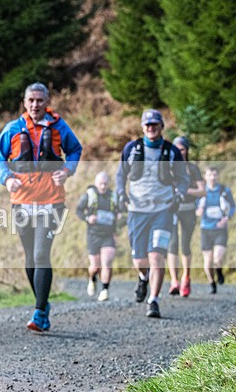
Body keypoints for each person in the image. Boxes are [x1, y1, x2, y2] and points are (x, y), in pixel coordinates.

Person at [0, 83, 82, 332]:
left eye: (40, 100)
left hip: (52, 200)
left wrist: (66, 170)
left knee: (42, 253)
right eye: (31, 100)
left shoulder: (59, 127)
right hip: (21, 200)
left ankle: (40, 312)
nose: (35, 105)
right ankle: (42, 302)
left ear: (47, 101)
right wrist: (6, 178)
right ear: (24, 101)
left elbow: (75, 150)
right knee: (30, 256)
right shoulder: (13, 129)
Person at [116, 109, 189, 318]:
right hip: (137, 211)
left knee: (156, 256)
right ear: (142, 127)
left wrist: (180, 194)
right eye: (147, 125)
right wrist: (121, 193)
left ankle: (153, 300)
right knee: (140, 260)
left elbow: (183, 179)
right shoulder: (132, 148)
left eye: (155, 124)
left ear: (161, 127)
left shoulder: (171, 152)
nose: (151, 128)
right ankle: (143, 278)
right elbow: (121, 174)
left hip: (163, 211)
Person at [75, 171, 122, 302]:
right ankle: (92, 279)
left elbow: (121, 210)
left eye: (105, 184)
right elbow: (78, 210)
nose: (103, 186)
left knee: (107, 262)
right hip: (93, 234)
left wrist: (119, 215)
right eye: (101, 184)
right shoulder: (89, 196)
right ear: (96, 183)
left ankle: (105, 290)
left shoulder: (113, 196)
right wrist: (87, 218)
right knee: (95, 266)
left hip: (108, 235)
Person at [166, 136, 204, 297]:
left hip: (188, 209)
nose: (179, 152)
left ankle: (186, 277)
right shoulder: (168, 167)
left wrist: (185, 190)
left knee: (185, 244)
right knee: (172, 244)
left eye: (182, 149)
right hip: (172, 210)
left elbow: (202, 191)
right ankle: (174, 280)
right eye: (177, 148)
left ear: (187, 150)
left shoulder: (192, 168)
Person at [196, 166, 234, 294]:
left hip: (220, 229)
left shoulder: (224, 190)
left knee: (218, 258)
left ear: (217, 176)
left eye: (214, 175)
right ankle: (212, 282)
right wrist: (198, 211)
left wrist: (227, 218)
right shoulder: (200, 192)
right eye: (209, 175)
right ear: (205, 177)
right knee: (208, 261)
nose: (212, 178)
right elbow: (195, 207)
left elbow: (233, 207)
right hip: (206, 229)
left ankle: (219, 270)